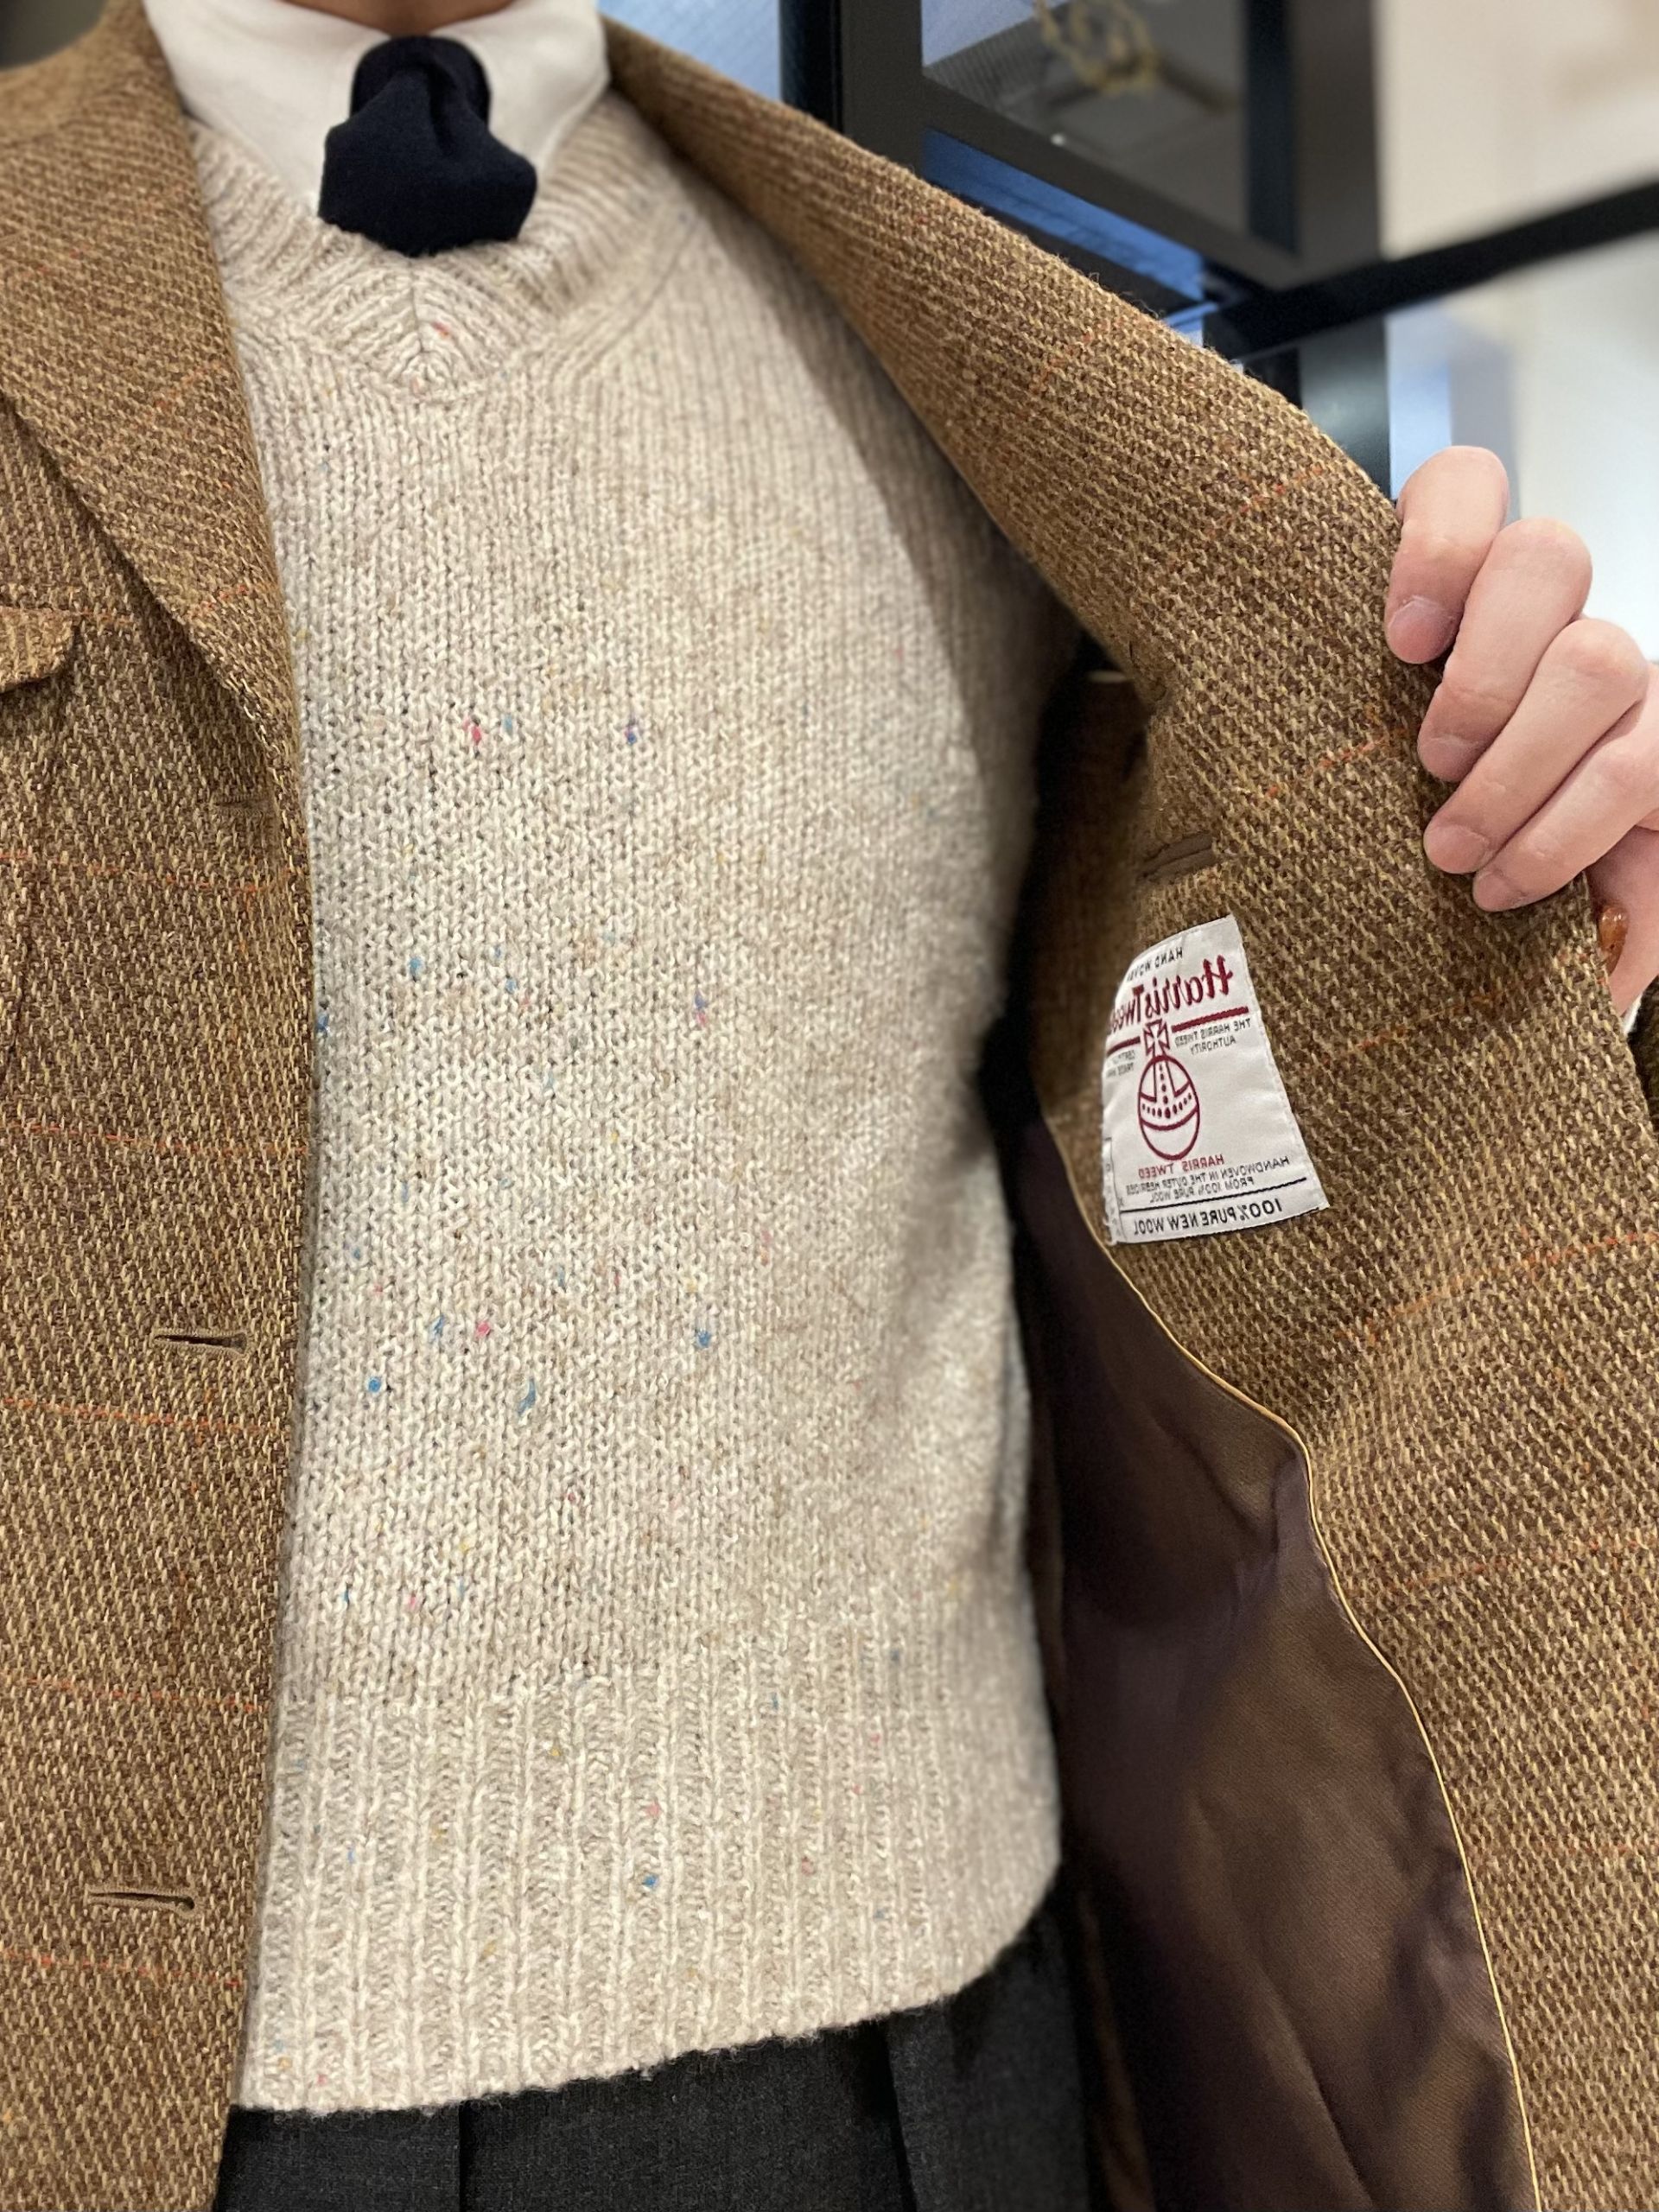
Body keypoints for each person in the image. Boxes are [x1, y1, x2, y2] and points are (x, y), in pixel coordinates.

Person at [2, 3, 1656, 2208]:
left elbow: (1172, 1094)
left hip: (945, 2054)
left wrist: (1499, 859)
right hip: (98, 2067)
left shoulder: (964, 354)